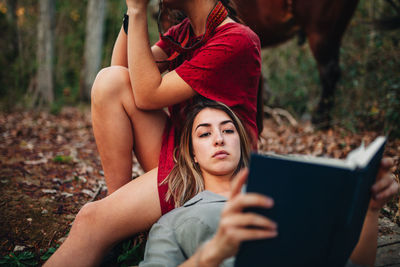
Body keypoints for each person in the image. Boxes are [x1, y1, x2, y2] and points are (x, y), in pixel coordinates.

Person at [45, 0, 262, 265]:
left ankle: (110, 225)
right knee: (109, 83)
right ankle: (119, 225)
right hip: (186, 154)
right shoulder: (184, 33)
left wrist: (138, 11)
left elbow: (148, 95)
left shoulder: (236, 39)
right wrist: (131, 12)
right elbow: (121, 71)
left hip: (216, 171)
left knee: (90, 220)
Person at [138, 99, 399, 267]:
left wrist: (370, 209)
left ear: (240, 143)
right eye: (205, 133)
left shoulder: (285, 195)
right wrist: (212, 253)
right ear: (193, 154)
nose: (219, 139)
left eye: (228, 130)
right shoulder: (172, 222)